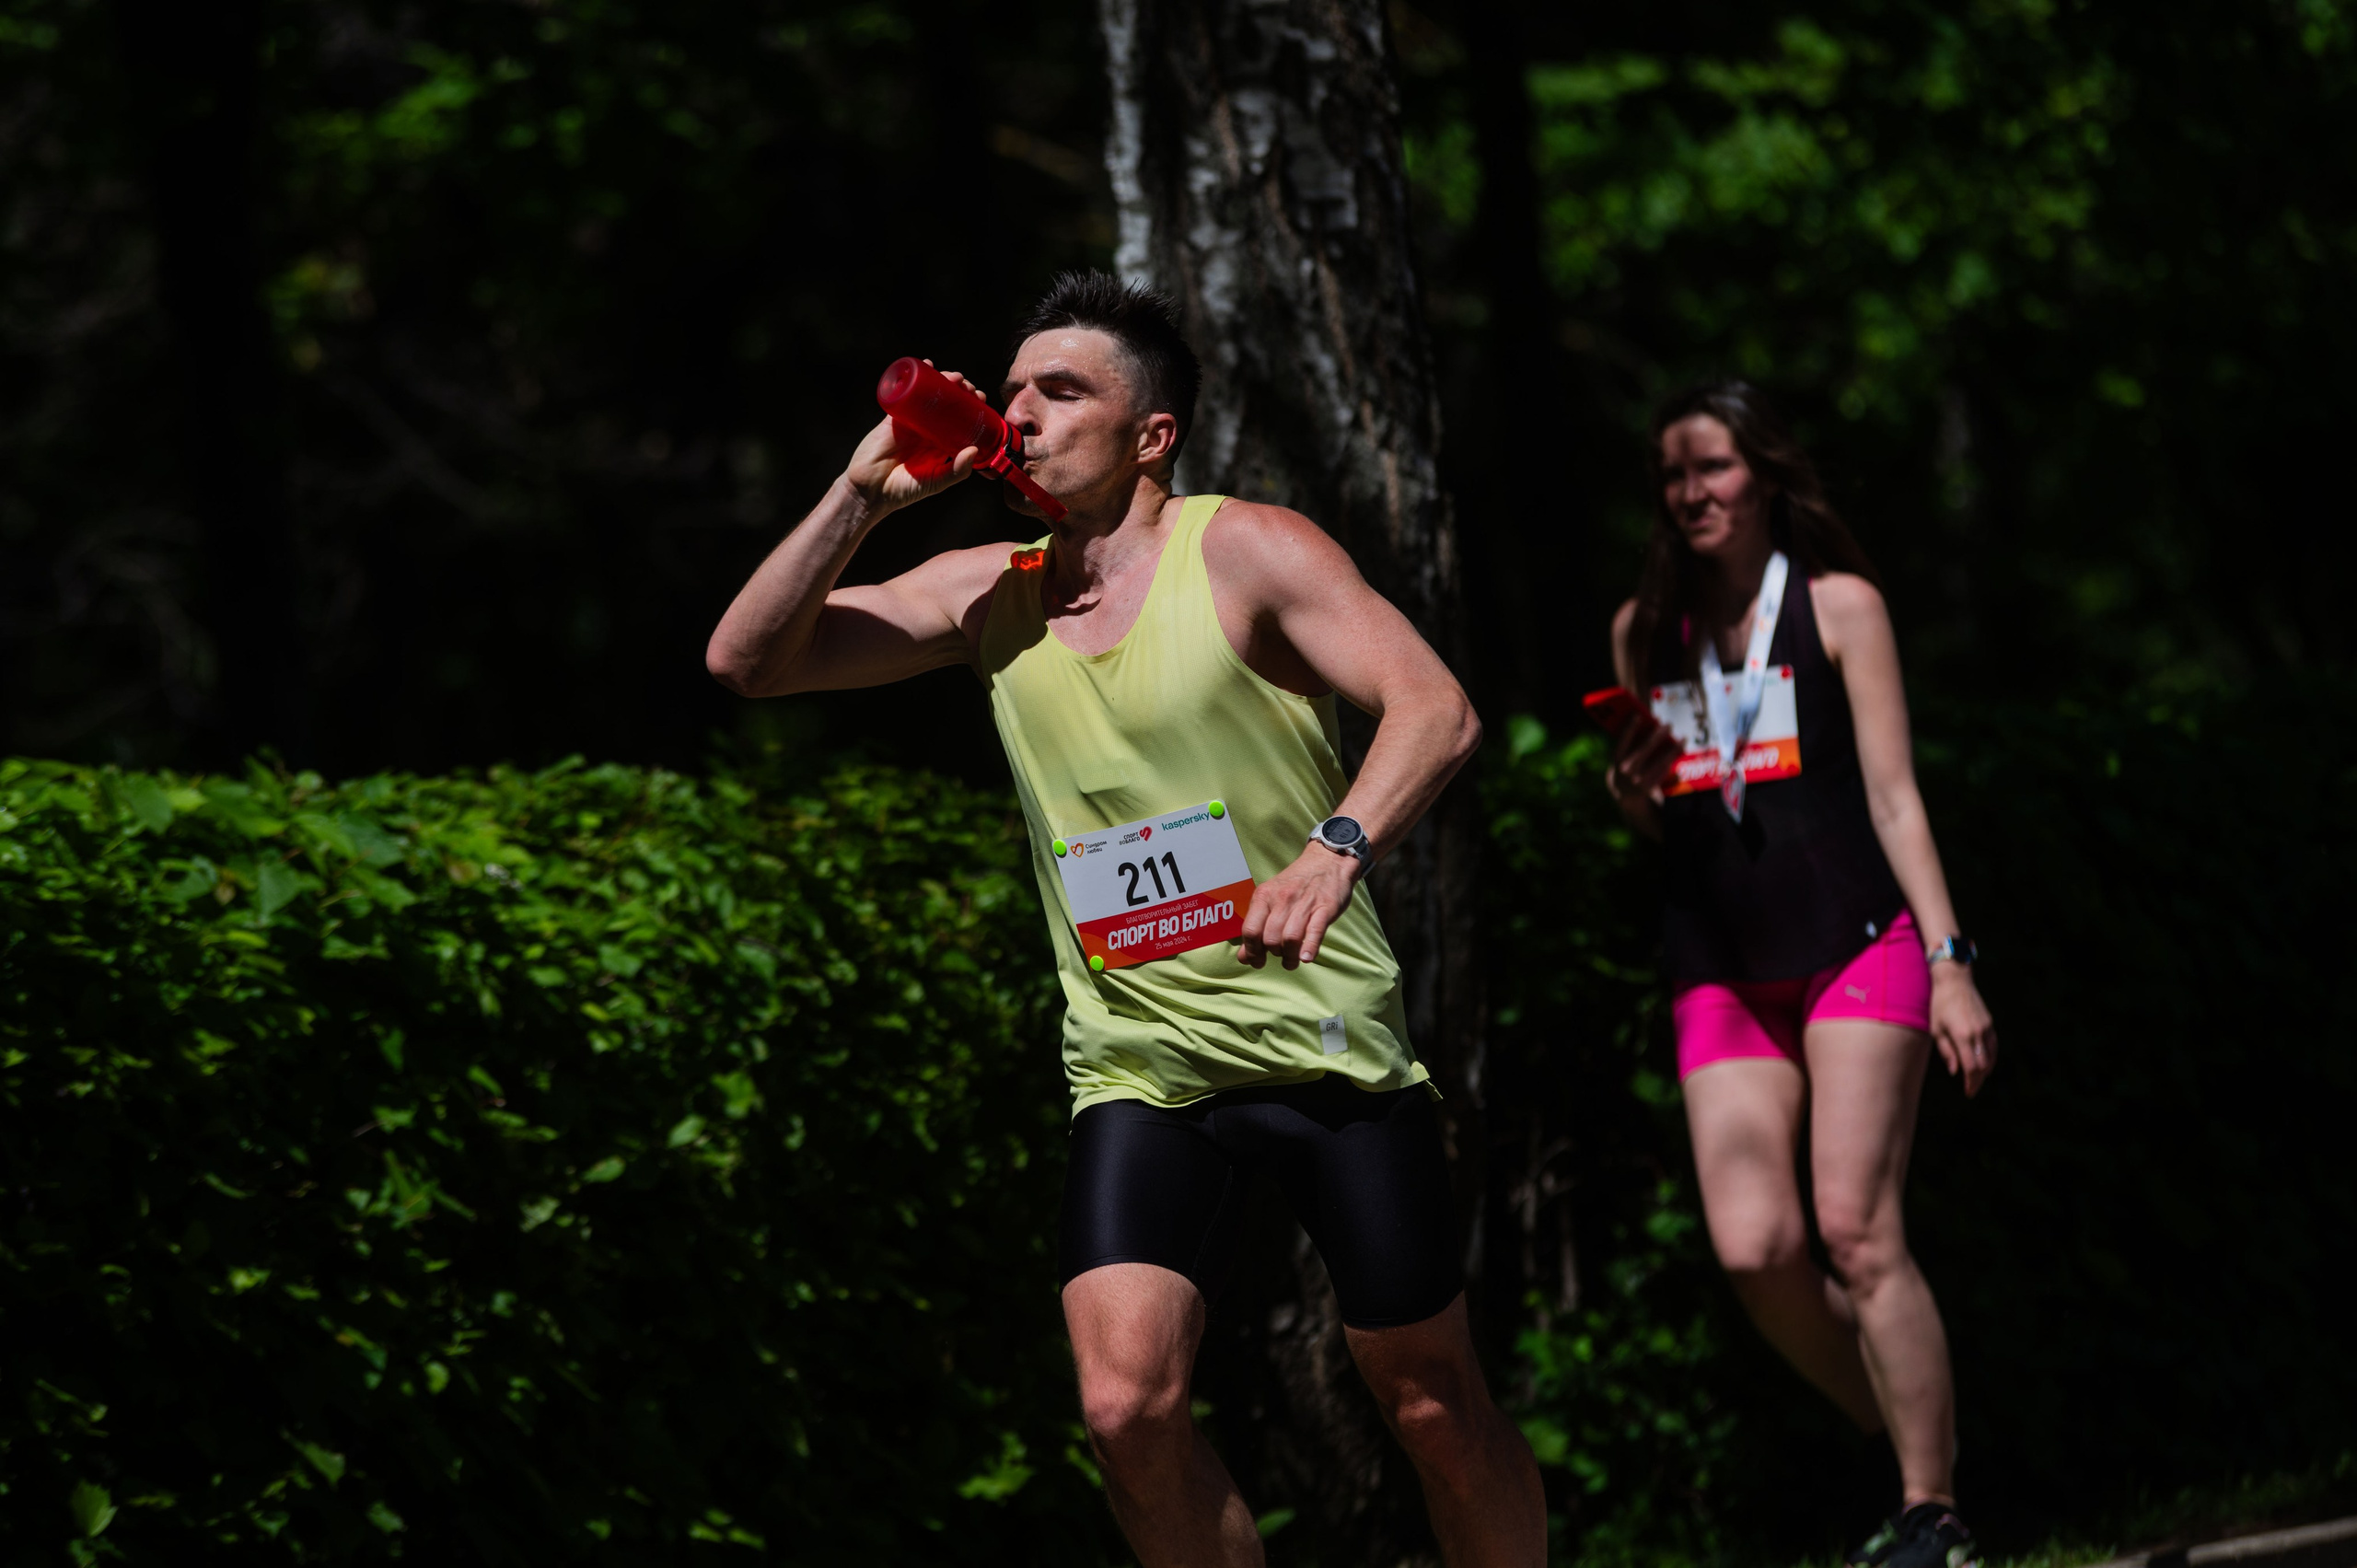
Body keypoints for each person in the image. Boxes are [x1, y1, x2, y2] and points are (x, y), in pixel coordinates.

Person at [706, 272, 1543, 1567]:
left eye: (1061, 390)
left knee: (1431, 1404)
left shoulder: (1248, 549)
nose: (1020, 414)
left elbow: (1435, 708)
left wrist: (1335, 852)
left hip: (1316, 1040)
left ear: (1152, 434)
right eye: (1013, 388)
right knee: (1124, 1411)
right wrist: (860, 496)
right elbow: (748, 661)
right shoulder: (986, 589)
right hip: (1140, 1068)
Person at [1603, 382, 1998, 1568]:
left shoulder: (1840, 605)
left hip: (1857, 942)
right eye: (1673, 474)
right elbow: (1666, 816)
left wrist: (1952, 963)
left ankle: (1931, 1507)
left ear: (1767, 473)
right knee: (1755, 1248)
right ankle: (1907, 1426)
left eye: (1714, 467)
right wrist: (1630, 796)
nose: (1692, 493)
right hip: (1719, 965)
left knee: (1855, 1229)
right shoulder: (1642, 630)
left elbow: (1895, 797)